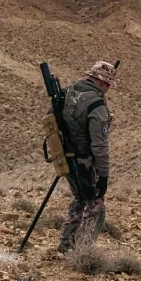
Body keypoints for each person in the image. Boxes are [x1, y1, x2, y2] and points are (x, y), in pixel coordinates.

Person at [57, 61, 117, 253]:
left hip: (65, 157)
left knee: (79, 199)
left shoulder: (69, 92)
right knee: (95, 205)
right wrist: (104, 176)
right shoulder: (97, 105)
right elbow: (99, 146)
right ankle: (82, 252)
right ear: (104, 83)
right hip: (85, 162)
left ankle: (66, 244)